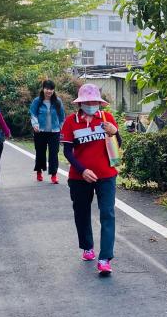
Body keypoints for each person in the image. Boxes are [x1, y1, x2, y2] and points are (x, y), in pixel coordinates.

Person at [60, 84, 120, 277]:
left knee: (107, 214)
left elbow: (118, 145)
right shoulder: (71, 121)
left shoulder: (107, 118)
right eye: (87, 102)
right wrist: (82, 170)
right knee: (82, 212)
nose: (91, 105)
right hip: (79, 177)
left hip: (106, 175)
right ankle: (87, 246)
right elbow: (68, 151)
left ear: (99, 102)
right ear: (81, 103)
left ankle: (105, 259)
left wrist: (114, 132)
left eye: (95, 101)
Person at [30, 79, 66, 184]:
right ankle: (39, 171)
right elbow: (33, 113)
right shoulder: (37, 101)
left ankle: (54, 175)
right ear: (43, 89)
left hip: (54, 132)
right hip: (40, 132)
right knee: (40, 153)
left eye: (51, 89)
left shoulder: (57, 101)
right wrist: (35, 124)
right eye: (47, 89)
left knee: (54, 154)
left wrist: (61, 127)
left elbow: (62, 116)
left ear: (53, 90)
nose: (49, 91)